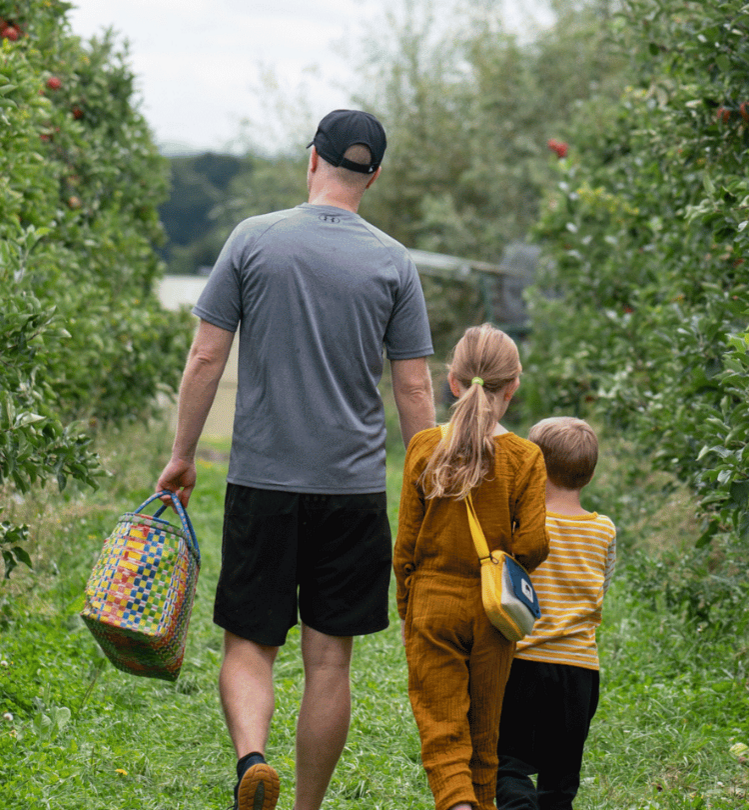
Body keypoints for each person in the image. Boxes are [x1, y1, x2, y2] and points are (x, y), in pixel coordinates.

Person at [155, 109, 435, 810]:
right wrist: (428, 483)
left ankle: (252, 759)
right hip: (351, 490)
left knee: (249, 644)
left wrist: (182, 455)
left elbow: (205, 356)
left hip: (263, 482)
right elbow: (412, 384)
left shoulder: (253, 240)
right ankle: (305, 806)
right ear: (373, 174)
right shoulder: (393, 261)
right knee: (328, 661)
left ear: (312, 159)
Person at [394, 323, 549, 810]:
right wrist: (506, 562)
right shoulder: (526, 458)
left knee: (442, 731)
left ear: (454, 381)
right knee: (485, 739)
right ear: (514, 386)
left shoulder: (424, 447)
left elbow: (405, 548)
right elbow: (534, 543)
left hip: (432, 606)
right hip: (493, 610)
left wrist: (408, 611)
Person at [495, 416, 617, 810]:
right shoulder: (604, 530)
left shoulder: (521, 525)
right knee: (560, 781)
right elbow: (603, 585)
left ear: (534, 466)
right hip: (579, 672)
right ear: (589, 474)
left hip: (522, 663)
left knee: (507, 765)